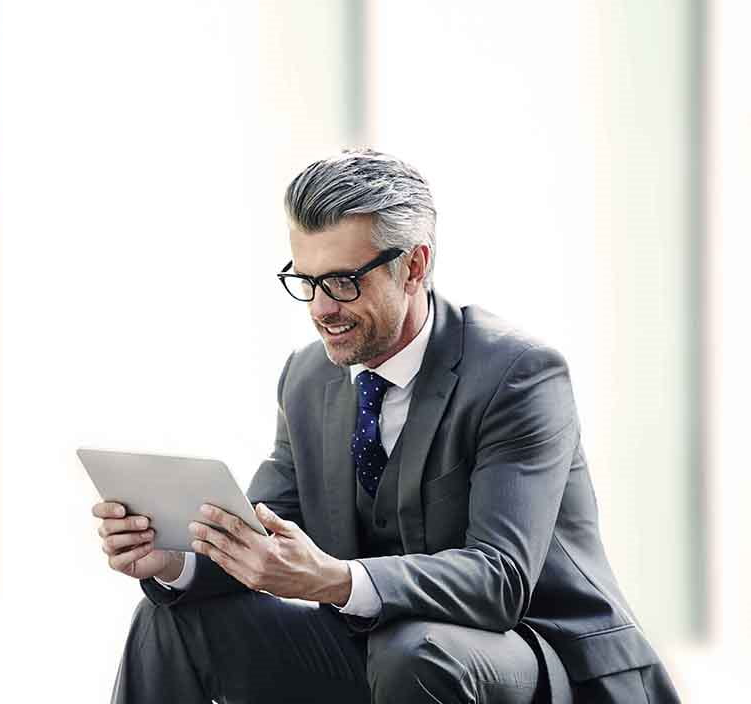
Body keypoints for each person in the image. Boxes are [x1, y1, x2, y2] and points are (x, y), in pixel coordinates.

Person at [92, 149, 681, 703]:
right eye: (307, 282)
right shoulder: (307, 378)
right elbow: (268, 530)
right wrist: (174, 562)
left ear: (414, 266)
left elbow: (499, 581)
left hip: (539, 654)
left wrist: (338, 581)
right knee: (170, 619)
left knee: (415, 650)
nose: (321, 308)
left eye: (344, 281)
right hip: (378, 649)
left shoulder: (518, 374)